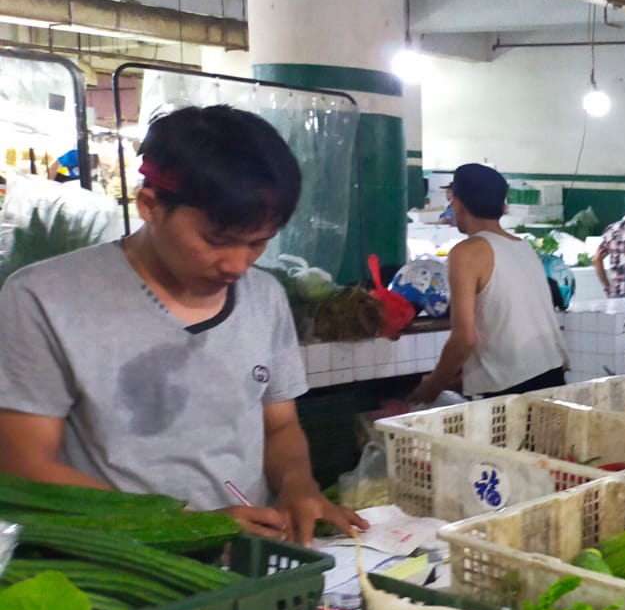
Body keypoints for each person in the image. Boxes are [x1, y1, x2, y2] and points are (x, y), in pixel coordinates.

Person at [0, 104, 365, 545]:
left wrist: (298, 486)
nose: (237, 264)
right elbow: (24, 465)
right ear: (150, 206)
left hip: (251, 553)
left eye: (258, 243)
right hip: (126, 565)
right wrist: (187, 525)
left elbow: (280, 426)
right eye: (217, 241)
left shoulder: (264, 297)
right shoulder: (44, 298)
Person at [409, 163, 569, 402]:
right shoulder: (523, 247)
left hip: (515, 393)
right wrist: (460, 379)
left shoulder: (466, 253)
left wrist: (431, 387)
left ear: (458, 204)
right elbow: (503, 327)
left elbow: (464, 338)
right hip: (553, 376)